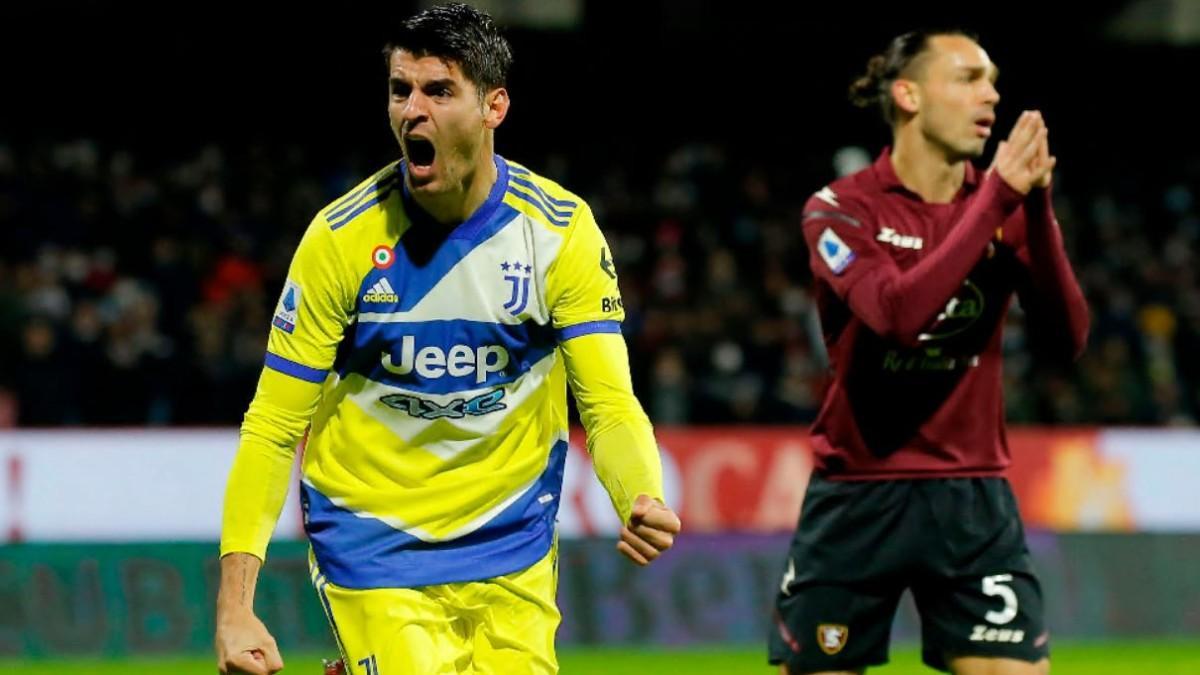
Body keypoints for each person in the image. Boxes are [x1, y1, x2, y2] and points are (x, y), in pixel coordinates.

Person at [213, 5, 681, 674]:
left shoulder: (559, 233)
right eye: (401, 90)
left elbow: (607, 402)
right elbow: (271, 427)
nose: (412, 111)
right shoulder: (340, 241)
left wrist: (640, 492)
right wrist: (235, 605)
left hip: (512, 541)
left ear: (495, 106)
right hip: (374, 541)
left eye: (438, 90)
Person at [769, 29, 1088, 675]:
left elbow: (1068, 339)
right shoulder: (840, 209)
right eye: (968, 77)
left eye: (993, 80)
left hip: (972, 495)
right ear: (908, 94)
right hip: (858, 494)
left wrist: (1037, 205)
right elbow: (897, 316)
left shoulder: (1001, 204)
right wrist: (999, 197)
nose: (991, 95)